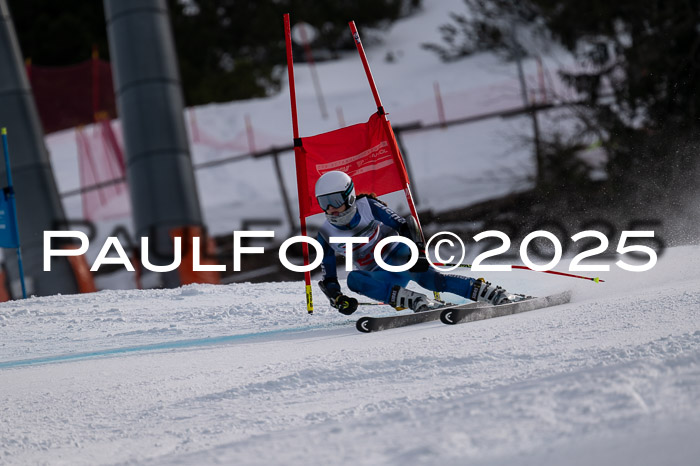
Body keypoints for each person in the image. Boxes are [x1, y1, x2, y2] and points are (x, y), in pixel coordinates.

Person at [315, 170, 516, 315]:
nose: (331, 208)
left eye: (335, 200)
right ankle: (414, 300)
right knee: (353, 280)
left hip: (399, 256)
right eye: (324, 203)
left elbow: (405, 225)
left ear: (349, 196)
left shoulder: (367, 205)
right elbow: (329, 278)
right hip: (380, 274)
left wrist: (418, 252)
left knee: (433, 281)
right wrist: (338, 300)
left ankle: (490, 292)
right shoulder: (325, 234)